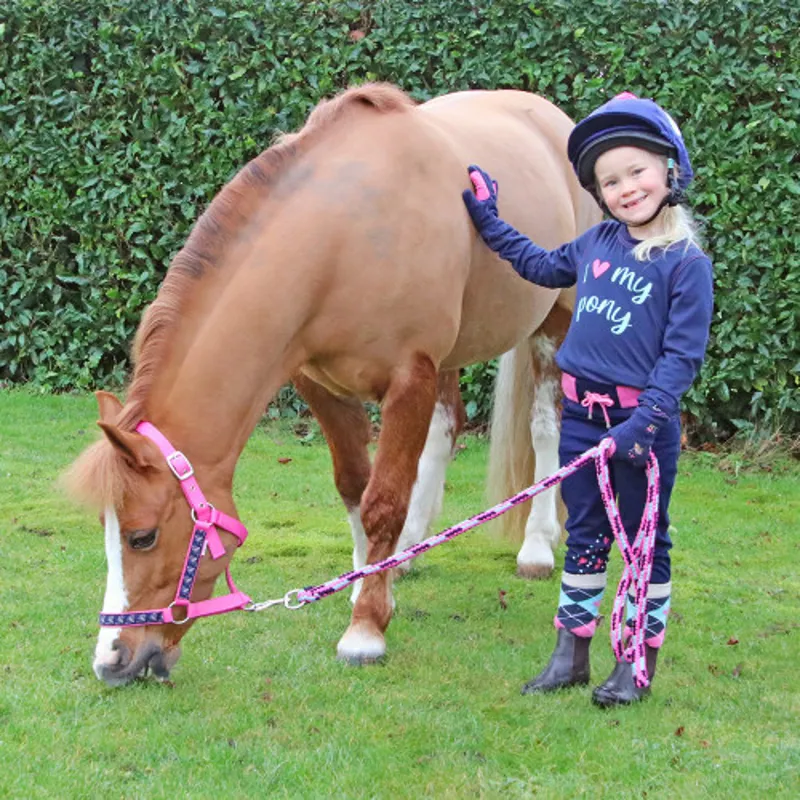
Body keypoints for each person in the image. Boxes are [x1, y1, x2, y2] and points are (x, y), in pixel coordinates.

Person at [462, 92, 714, 707]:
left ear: (669, 171)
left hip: (639, 426)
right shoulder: (597, 242)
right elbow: (539, 264)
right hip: (580, 418)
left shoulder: (685, 265)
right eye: (611, 181)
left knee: (644, 542)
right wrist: (489, 220)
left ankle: (635, 662)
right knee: (585, 535)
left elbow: (681, 359)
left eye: (636, 171)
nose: (626, 188)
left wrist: (644, 426)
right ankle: (570, 655)